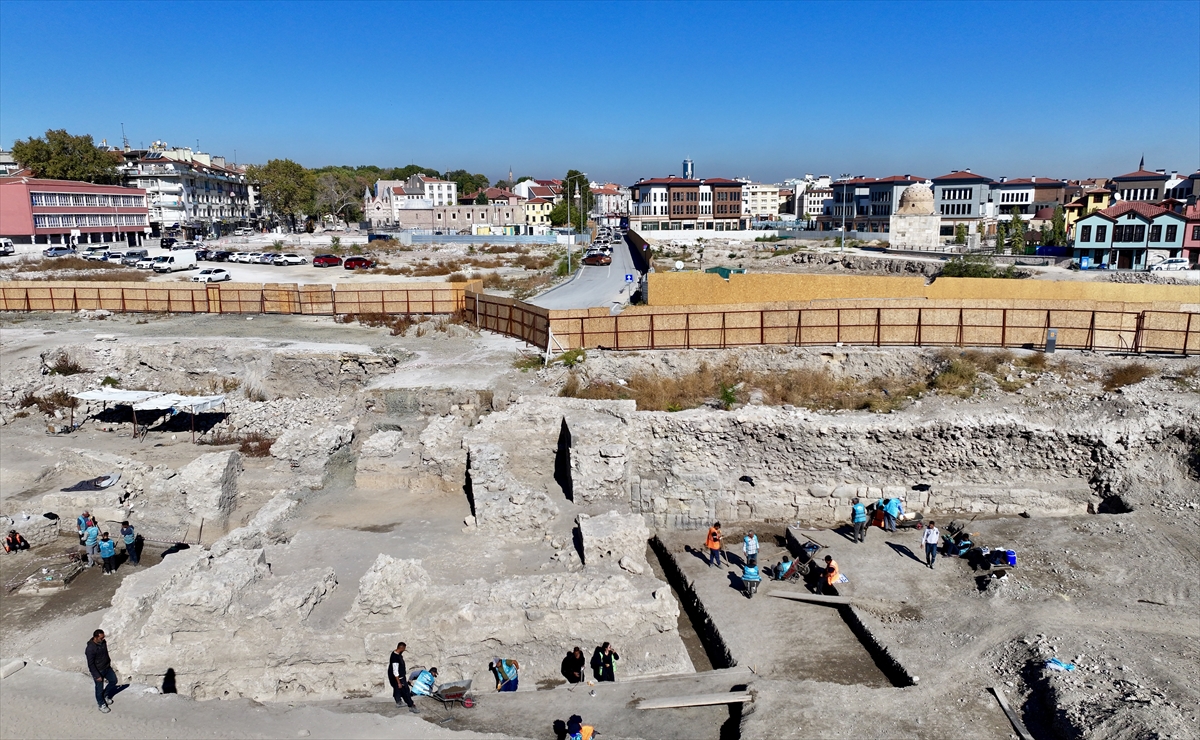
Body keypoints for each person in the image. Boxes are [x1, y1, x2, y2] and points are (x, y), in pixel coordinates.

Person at [85, 629, 117, 713]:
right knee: (99, 688)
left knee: (113, 681)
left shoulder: (103, 642)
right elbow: (90, 664)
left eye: (103, 637)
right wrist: (96, 675)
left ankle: (105, 695)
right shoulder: (90, 649)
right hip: (98, 671)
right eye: (101, 638)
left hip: (107, 667)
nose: (103, 639)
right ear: (95, 637)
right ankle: (101, 704)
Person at [387, 642, 418, 713]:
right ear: (401, 648)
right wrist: (399, 682)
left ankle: (398, 702)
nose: (404, 650)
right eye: (404, 649)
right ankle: (411, 706)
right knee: (406, 692)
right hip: (399, 677)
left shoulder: (395, 653)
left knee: (397, 689)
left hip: (396, 677)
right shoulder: (395, 658)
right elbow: (395, 671)